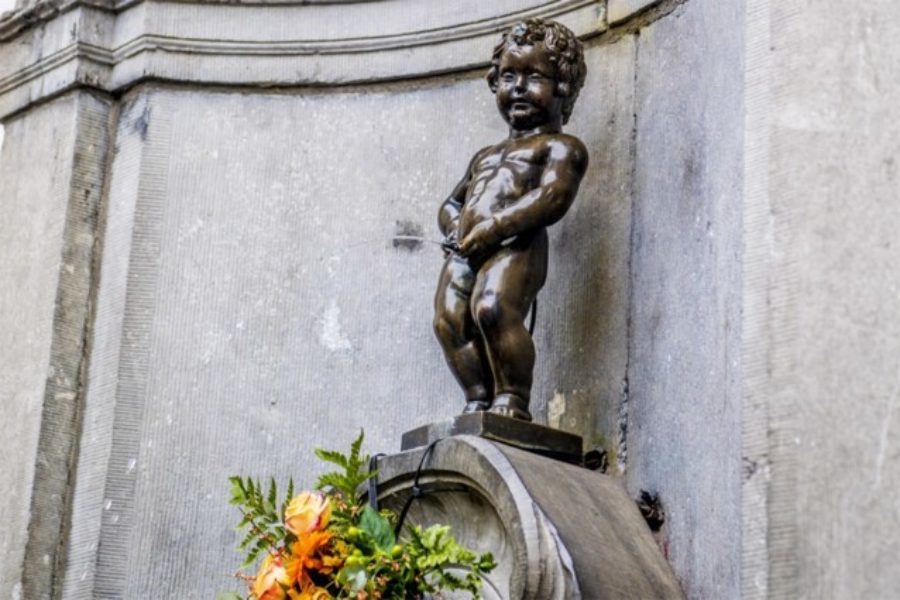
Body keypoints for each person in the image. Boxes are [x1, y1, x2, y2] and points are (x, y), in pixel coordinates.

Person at [433, 18, 589, 422]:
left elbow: (552, 197)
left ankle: (512, 400)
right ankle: (478, 400)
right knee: (449, 320)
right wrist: (455, 226)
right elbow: (451, 203)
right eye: (508, 76)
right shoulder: (484, 156)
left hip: (516, 245)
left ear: (563, 86)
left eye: (533, 76)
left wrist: (494, 229)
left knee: (492, 309)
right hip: (466, 250)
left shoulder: (561, 147)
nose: (517, 87)